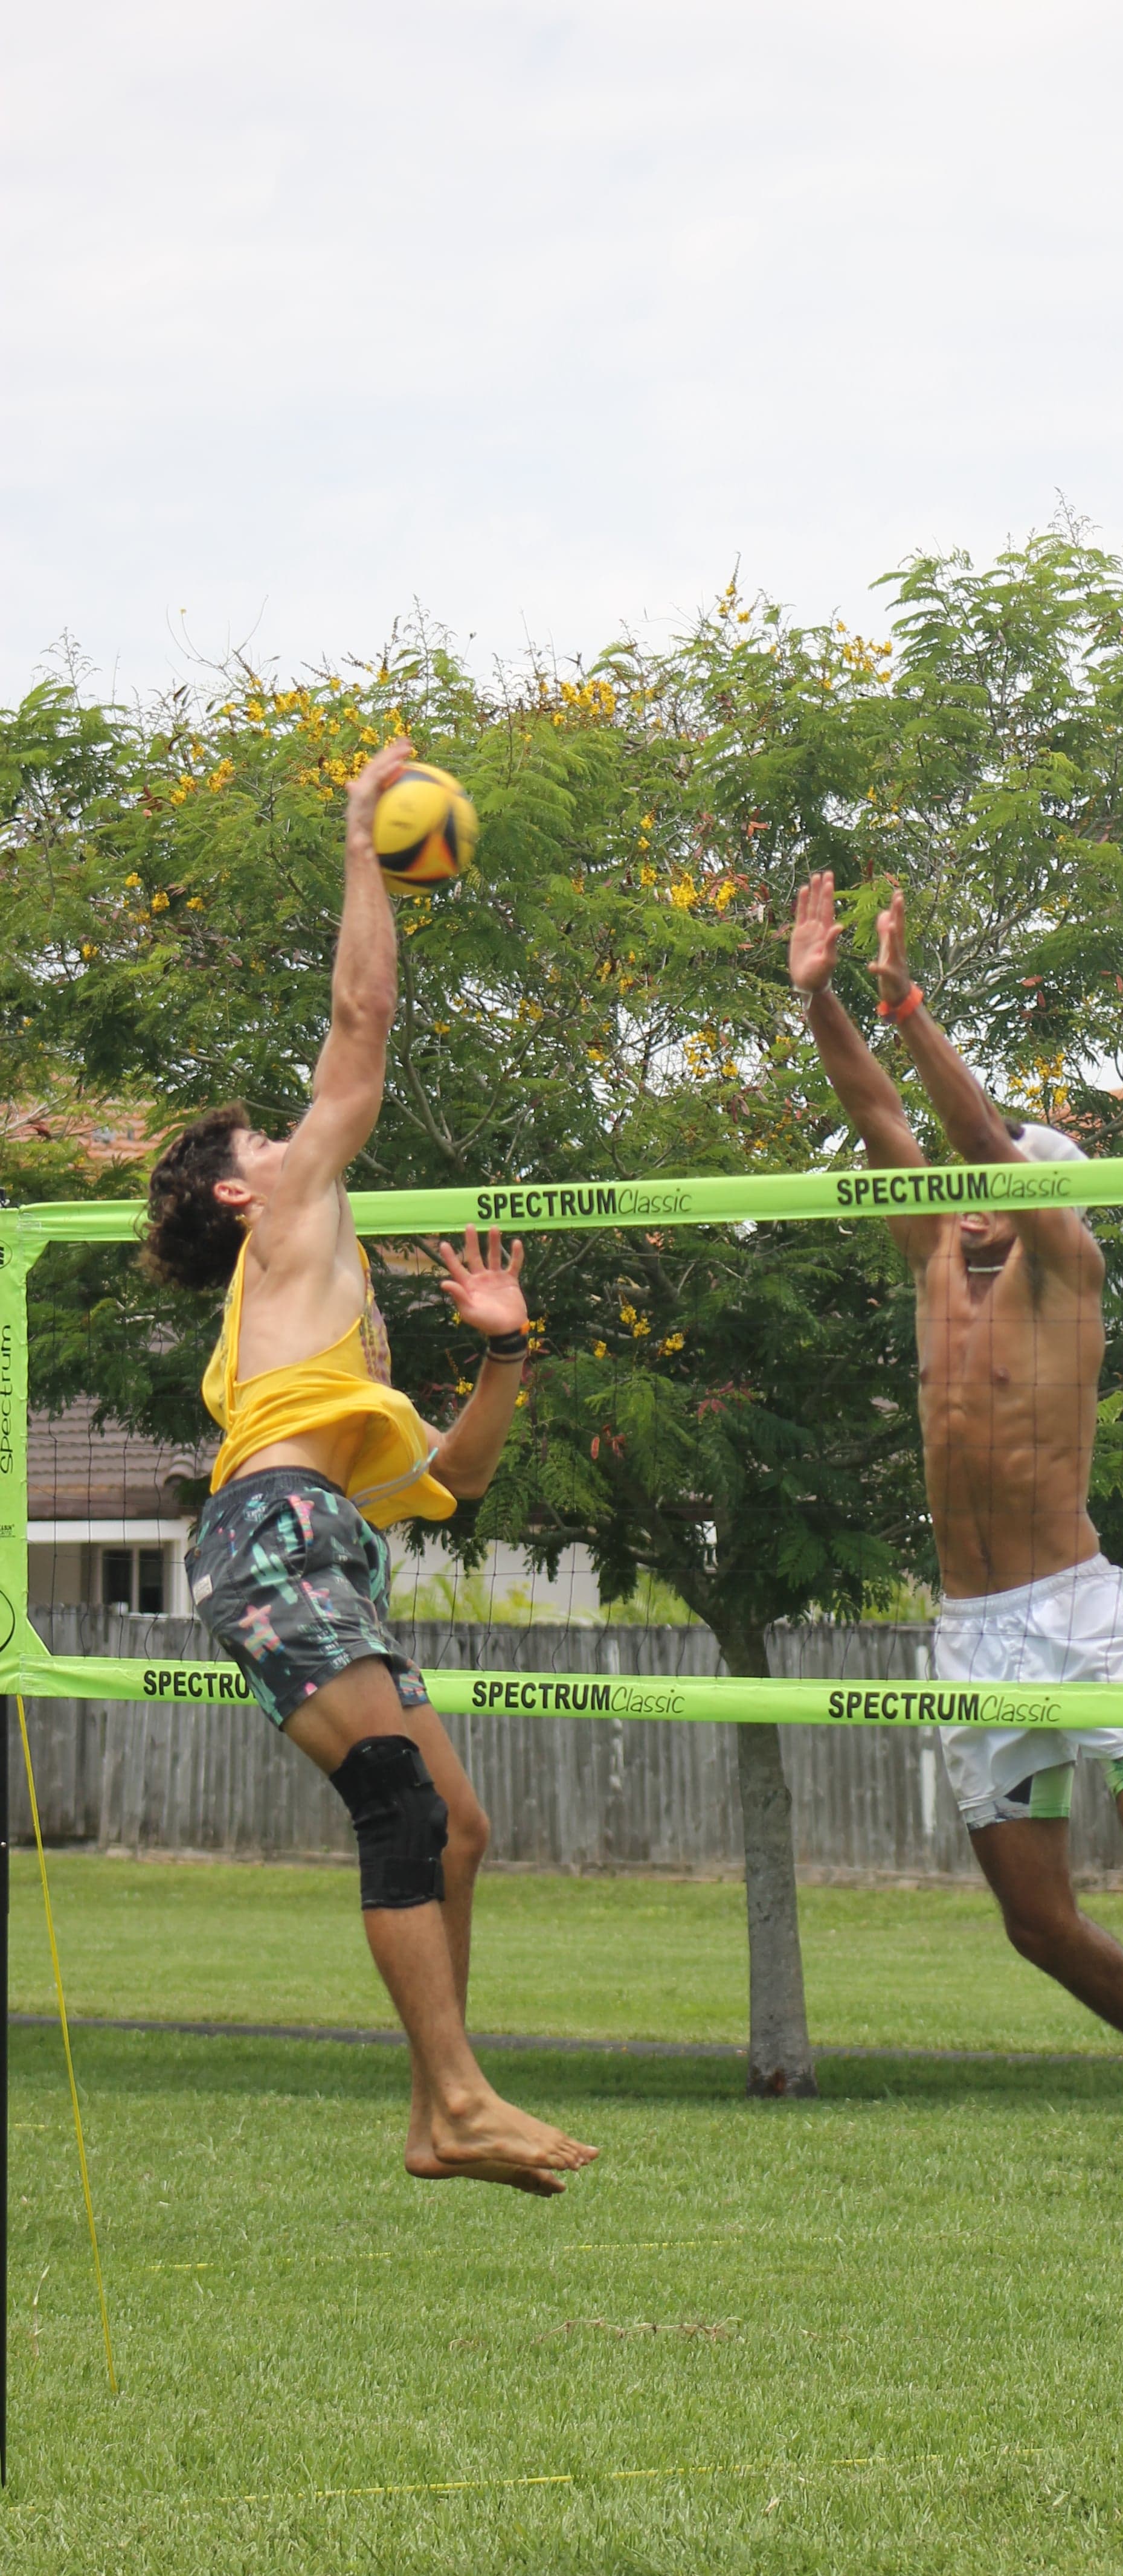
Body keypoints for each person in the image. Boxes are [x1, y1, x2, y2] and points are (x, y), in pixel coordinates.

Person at [143, 737, 596, 2197]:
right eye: (266, 1138)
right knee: (399, 1805)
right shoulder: (290, 1224)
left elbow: (452, 1487)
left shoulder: (316, 1338)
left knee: (457, 1826)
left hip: (319, 1532)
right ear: (239, 1188)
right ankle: (455, 2102)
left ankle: (436, 2114)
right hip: (270, 1531)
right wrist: (359, 844)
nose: (296, 1134)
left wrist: (506, 1353)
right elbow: (362, 1019)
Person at [788, 871, 1123, 2217]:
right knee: (1034, 1926)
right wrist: (824, 998)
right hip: (971, 1633)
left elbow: (971, 1135)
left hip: (1077, 1610)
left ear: (1050, 1203)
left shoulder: (1070, 1277)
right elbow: (876, 1112)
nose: (978, 1195)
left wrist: (911, 1005)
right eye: (970, 1186)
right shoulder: (932, 1255)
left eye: (1002, 1178)